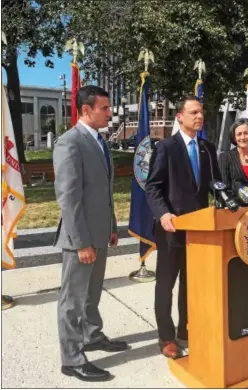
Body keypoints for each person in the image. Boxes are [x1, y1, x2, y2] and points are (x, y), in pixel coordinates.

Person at [53, 85, 129, 382]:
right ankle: (71, 358)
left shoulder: (99, 141)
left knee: (91, 294)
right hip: (80, 238)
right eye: (105, 108)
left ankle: (91, 335)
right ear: (87, 110)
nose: (110, 113)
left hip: (100, 233)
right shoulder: (69, 143)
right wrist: (82, 242)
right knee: (72, 300)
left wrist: (111, 227)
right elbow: (69, 198)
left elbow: (103, 191)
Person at [146, 95, 221, 359]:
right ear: (180, 116)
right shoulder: (166, 147)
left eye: (201, 112)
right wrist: (163, 214)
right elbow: (153, 186)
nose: (199, 117)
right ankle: (166, 337)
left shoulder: (208, 149)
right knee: (166, 285)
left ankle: (187, 328)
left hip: (201, 231)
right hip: (171, 229)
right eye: (193, 113)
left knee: (192, 283)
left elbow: (215, 185)